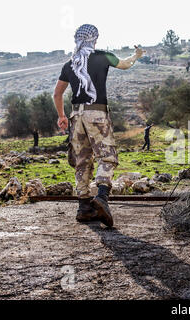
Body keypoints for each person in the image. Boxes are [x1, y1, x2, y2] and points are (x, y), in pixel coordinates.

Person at [53, 24, 144, 227]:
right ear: (93, 39)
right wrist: (136, 55)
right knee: (108, 156)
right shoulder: (103, 56)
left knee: (82, 160)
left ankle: (84, 207)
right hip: (97, 113)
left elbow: (57, 93)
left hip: (76, 116)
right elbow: (125, 64)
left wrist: (61, 116)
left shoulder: (69, 64)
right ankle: (102, 197)